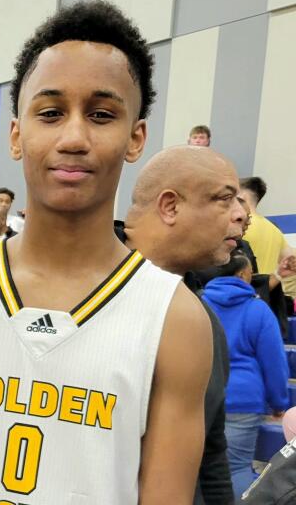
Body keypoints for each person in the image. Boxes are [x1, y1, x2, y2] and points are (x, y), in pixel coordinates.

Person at [0, 0, 213, 503]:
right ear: (17, 134)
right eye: (51, 113)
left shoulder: (176, 320)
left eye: (101, 115)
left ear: (135, 137)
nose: (74, 137)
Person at [118, 145, 247, 504]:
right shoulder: (77, 292)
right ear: (170, 206)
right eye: (226, 199)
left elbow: (211, 453)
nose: (241, 215)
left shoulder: (201, 321)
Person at [202, 252, 290, 500]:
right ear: (242, 274)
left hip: (202, 398)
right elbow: (274, 362)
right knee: (237, 467)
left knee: (200, 467)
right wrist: (278, 403)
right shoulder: (257, 309)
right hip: (243, 402)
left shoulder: (197, 303)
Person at [239, 177, 294, 276]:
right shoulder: (276, 231)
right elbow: (291, 259)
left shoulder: (237, 225)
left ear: (242, 197)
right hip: (265, 289)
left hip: (241, 288)